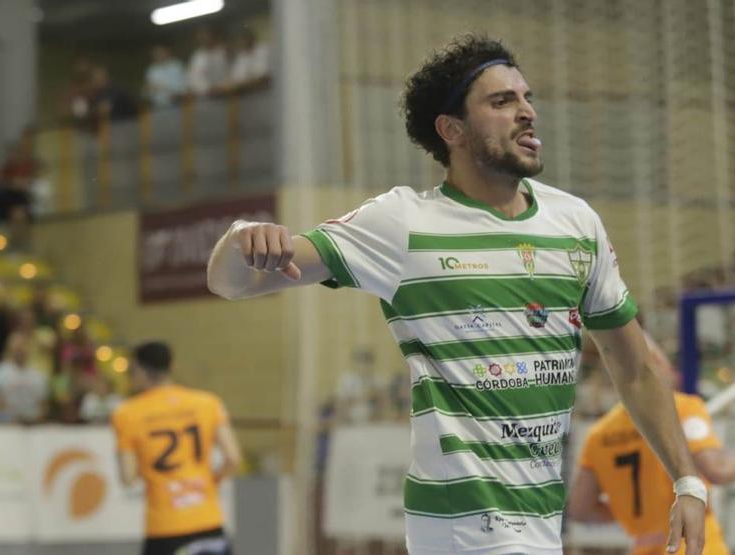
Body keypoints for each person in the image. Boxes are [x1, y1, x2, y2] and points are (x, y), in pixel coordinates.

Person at [206, 35, 707, 554]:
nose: (527, 112)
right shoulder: (403, 223)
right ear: (452, 130)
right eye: (501, 101)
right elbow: (232, 282)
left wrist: (687, 481)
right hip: (462, 529)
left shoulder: (576, 223)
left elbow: (636, 370)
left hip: (539, 524)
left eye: (526, 97)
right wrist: (241, 237)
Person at [568, 335, 735, 555]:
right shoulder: (680, 409)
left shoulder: (599, 435)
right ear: (655, 365)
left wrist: (641, 523)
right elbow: (719, 469)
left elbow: (579, 509)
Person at [111, 342, 242, 555]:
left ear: (140, 370)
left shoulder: (127, 413)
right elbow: (233, 458)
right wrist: (213, 480)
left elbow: (128, 476)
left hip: (165, 526)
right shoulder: (208, 402)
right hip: (207, 520)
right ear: (172, 365)